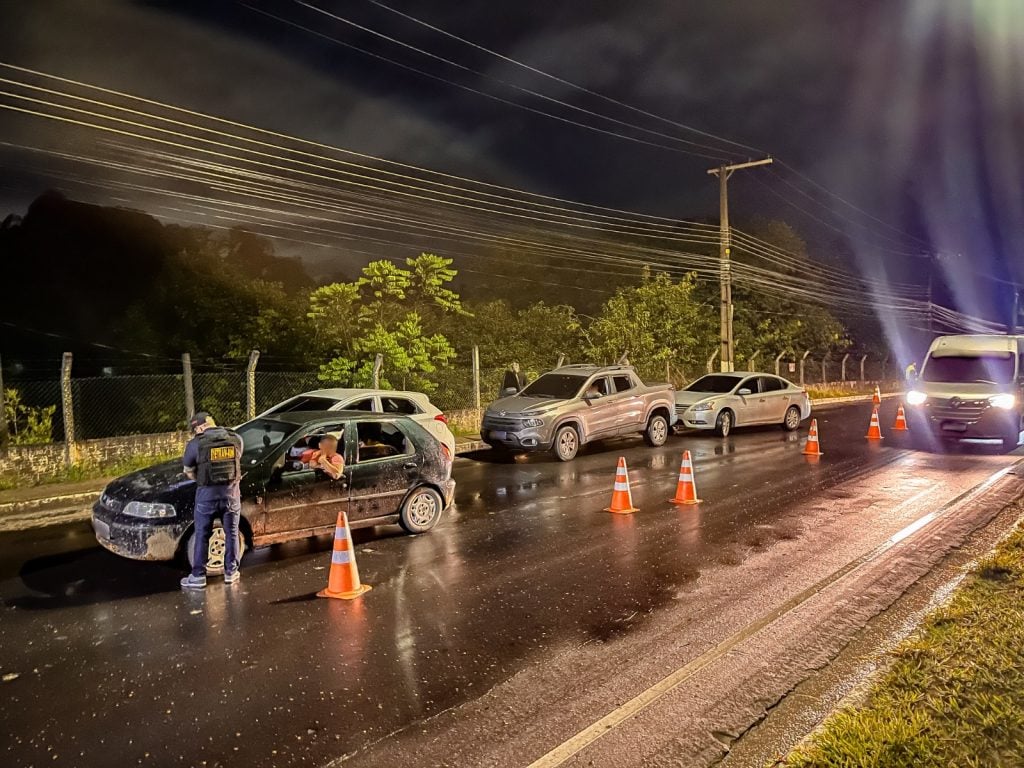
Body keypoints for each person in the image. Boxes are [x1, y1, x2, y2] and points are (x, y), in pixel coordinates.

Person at [180, 412, 243, 590]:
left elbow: (188, 471)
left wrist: (201, 479)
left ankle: (198, 576)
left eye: (196, 429)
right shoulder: (236, 438)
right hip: (231, 495)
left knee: (202, 534)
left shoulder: (195, 444)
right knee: (231, 533)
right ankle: (231, 573)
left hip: (206, 497)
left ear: (200, 427)